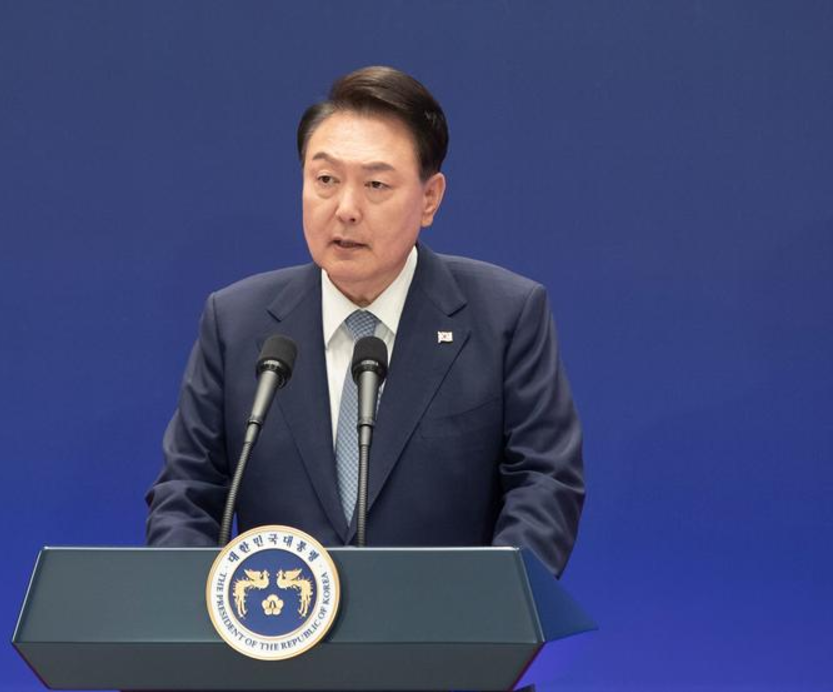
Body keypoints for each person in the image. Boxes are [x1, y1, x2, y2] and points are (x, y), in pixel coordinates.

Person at [145, 66, 584, 577]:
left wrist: (493, 603)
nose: (346, 209)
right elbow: (186, 492)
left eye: (376, 184)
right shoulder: (237, 322)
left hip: (447, 621)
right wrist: (198, 604)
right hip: (278, 618)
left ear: (429, 198)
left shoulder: (505, 315)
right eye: (326, 180)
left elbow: (544, 484)